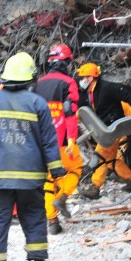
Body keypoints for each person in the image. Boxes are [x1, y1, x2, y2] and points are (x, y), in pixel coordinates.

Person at [0, 52, 65, 261]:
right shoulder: (37, 104)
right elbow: (49, 141)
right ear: (30, 79)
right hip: (30, 175)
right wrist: (57, 171)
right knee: (34, 216)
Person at [34, 44, 83, 235]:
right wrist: (71, 139)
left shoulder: (38, 84)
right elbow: (70, 113)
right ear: (66, 62)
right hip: (62, 141)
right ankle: (62, 197)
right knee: (75, 170)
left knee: (47, 181)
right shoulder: (68, 83)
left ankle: (52, 221)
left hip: (41, 143)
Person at [76, 62, 131, 199]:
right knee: (110, 160)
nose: (81, 81)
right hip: (104, 129)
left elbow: (127, 95)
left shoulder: (107, 88)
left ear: (91, 78)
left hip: (113, 129)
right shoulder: (88, 93)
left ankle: (95, 187)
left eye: (84, 77)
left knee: (100, 156)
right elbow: (83, 111)